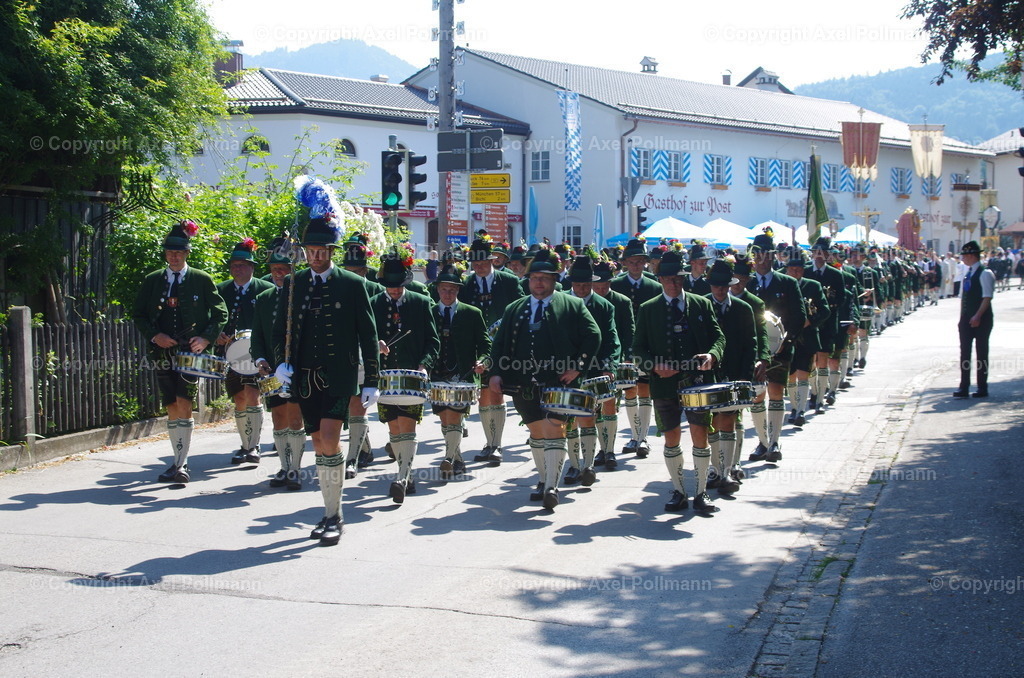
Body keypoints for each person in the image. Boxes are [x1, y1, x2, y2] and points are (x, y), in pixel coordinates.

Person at [273, 178, 379, 546]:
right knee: (318, 442)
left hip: (339, 375)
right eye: (311, 250)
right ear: (304, 251)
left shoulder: (352, 284)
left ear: (332, 250)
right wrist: (278, 365)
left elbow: (367, 333)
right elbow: (279, 331)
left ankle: (333, 516)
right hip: (303, 377)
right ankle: (328, 508)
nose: (316, 256)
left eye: (323, 250)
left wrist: (372, 381)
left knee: (331, 440)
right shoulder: (292, 285)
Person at [488, 248, 601, 510]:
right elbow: (500, 343)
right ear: (528, 280)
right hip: (522, 381)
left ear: (554, 280)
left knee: (554, 428)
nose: (538, 282)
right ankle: (543, 479)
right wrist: (495, 372)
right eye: (534, 277)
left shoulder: (571, 304)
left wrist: (576, 368)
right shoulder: (515, 307)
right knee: (536, 432)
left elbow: (593, 336)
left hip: (558, 380)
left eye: (544, 277)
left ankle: (551, 485)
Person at [132, 220, 227, 484]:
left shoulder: (201, 279)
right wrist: (154, 335)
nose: (173, 257)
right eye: (170, 252)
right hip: (162, 352)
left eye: (179, 252)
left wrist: (206, 338)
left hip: (189, 352)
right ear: (165, 254)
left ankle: (181, 464)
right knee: (171, 405)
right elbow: (138, 313)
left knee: (184, 402)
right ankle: (176, 462)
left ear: (187, 253)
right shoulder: (153, 280)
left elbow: (221, 312)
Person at [634, 249, 725, 514]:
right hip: (664, 384)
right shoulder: (648, 309)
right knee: (671, 437)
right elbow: (638, 349)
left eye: (679, 278)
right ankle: (679, 490)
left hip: (697, 380)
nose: (674, 283)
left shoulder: (701, 303)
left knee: (700, 434)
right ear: (660, 279)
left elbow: (719, 338)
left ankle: (701, 492)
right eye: (669, 279)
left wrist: (712, 355)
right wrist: (653, 366)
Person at [372, 249, 440, 502]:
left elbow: (433, 341)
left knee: (407, 425)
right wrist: (375, 343)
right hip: (384, 377)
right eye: (390, 288)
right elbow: (364, 337)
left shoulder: (421, 302)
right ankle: (405, 472)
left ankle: (402, 477)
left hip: (412, 376)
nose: (394, 291)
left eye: (398, 287)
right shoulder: (374, 303)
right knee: (395, 428)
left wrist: (424, 365)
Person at [458, 234, 524, 465]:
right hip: (477, 347)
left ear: (493, 260)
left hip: (504, 346)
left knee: (496, 392)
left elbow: (520, 311)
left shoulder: (508, 281)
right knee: (485, 393)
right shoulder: (465, 285)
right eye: (475, 265)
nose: (480, 268)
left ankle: (496, 444)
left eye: (484, 263)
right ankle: (491, 443)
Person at [250, 238, 306, 490]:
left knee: (296, 418)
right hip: (272, 367)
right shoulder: (264, 297)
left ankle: (295, 469)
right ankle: (284, 467)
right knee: (278, 417)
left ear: (293, 270)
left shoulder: (304, 294)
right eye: (275, 270)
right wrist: (260, 358)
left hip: (299, 367)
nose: (279, 274)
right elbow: (258, 334)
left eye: (284, 269)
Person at [746, 232, 806, 463]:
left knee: (776, 393)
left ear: (773, 257)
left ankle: (774, 442)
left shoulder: (788, 282)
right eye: (758, 255)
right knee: (757, 395)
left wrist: (784, 341)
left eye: (767, 255)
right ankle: (762, 441)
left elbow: (799, 316)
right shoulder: (747, 283)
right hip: (753, 351)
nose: (762, 259)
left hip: (781, 349)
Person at [562, 254, 620, 487]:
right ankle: (574, 465)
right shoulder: (561, 301)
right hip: (565, 369)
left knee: (587, 416)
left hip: (594, 368)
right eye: (577, 285)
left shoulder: (604, 306)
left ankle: (587, 465)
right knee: (568, 418)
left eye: (586, 284)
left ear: (593, 283)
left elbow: (611, 339)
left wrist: (610, 366)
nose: (582, 289)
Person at [216, 239, 275, 465]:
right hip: (230, 355)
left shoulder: (265, 290)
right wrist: (216, 333)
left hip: (256, 354)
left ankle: (254, 445)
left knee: (252, 395)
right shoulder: (221, 290)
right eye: (234, 265)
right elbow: (212, 318)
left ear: (252, 267)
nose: (237, 269)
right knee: (239, 397)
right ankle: (245, 444)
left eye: (242, 265)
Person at [431, 264, 490, 478]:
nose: (448, 293)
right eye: (444, 289)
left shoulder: (472, 313)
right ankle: (456, 458)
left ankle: (448, 458)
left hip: (463, 376)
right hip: (436, 375)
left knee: (453, 415)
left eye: (452, 290)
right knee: (445, 419)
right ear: (437, 289)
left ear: (458, 291)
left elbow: (485, 345)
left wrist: (483, 361)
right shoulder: (429, 313)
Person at [704, 259, 758, 494]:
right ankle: (715, 469)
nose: (720, 289)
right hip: (707, 375)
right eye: (716, 285)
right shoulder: (700, 306)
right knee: (711, 423)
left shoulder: (743, 308)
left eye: (724, 285)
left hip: (735, 373)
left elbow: (750, 344)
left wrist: (746, 376)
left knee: (728, 419)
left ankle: (725, 471)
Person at [610, 237, 663, 459]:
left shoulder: (655, 286)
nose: (635, 266)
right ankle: (634, 435)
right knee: (629, 389)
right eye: (631, 261)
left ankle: (642, 438)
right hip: (624, 346)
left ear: (645, 263)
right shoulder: (616, 285)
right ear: (625, 263)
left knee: (644, 390)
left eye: (640, 261)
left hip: (647, 346)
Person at [340, 234, 385, 474]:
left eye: (357, 270)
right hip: (344, 353)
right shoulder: (337, 287)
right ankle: (364, 449)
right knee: (351, 404)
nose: (353, 274)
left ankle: (352, 458)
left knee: (360, 404)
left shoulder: (377, 290)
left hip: (368, 352)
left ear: (366, 270)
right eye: (349, 269)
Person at [591, 258, 634, 470]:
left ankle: (608, 450)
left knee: (609, 403)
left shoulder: (621, 302)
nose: (601, 289)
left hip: (612, 358)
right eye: (597, 286)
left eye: (605, 286)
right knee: (592, 406)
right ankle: (597, 448)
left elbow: (627, 333)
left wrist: (625, 358)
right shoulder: (582, 301)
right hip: (588, 359)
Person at [784, 248, 830, 427]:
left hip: (807, 335)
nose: (796, 272)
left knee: (804, 373)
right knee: (790, 375)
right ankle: (795, 407)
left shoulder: (813, 286)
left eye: (799, 269)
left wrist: (811, 321)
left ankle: (801, 410)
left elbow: (825, 310)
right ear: (787, 269)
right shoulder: (783, 283)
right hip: (787, 337)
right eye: (792, 269)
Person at [953, 240, 995, 399]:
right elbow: (964, 298)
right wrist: (962, 318)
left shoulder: (985, 273)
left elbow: (987, 297)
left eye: (964, 255)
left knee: (981, 352)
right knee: (965, 353)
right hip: (966, 318)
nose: (962, 258)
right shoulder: (968, 273)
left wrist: (977, 315)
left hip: (981, 319)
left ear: (971, 256)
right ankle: (964, 386)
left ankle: (982, 387)